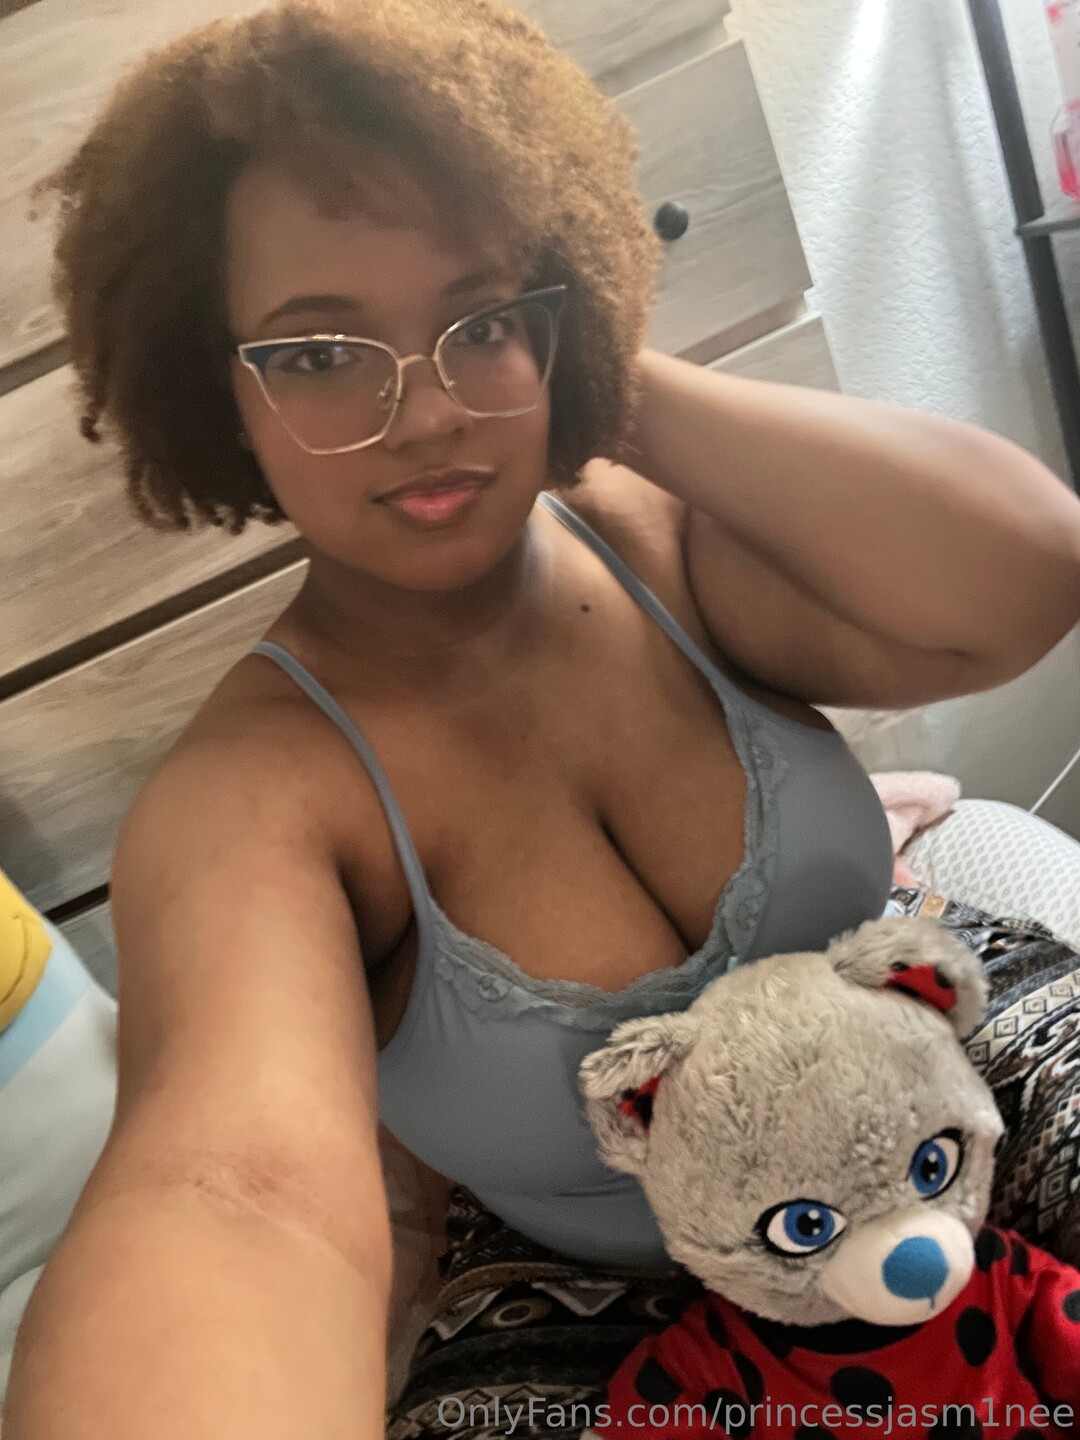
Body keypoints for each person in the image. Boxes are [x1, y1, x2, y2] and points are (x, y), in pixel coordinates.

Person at [6, 0, 1080, 1436]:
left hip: (945, 1080)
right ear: (221, 387)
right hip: (617, 1302)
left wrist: (596, 386)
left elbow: (1019, 584)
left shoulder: (661, 545)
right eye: (321, 351)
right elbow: (233, 1195)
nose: (427, 413)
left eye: (482, 319)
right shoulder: (257, 796)